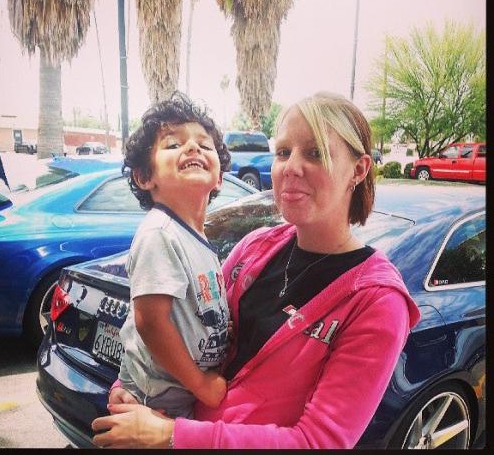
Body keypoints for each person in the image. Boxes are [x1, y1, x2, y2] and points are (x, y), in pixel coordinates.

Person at [91, 91, 421, 449]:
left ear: (358, 170)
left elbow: (318, 442)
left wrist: (171, 435)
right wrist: (131, 386)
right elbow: (186, 325)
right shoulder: (256, 248)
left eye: (315, 153)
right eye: (283, 152)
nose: (291, 167)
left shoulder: (377, 303)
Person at [108, 91, 232, 419]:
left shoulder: (195, 239)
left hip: (176, 391)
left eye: (204, 145)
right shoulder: (160, 233)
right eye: (174, 143)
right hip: (159, 398)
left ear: (219, 177)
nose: (192, 147)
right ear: (144, 177)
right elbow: (149, 322)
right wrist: (201, 384)